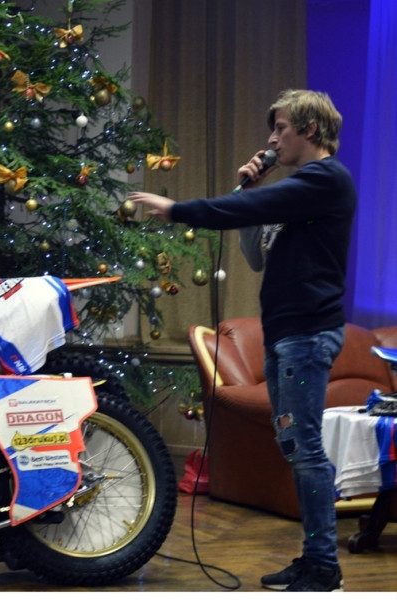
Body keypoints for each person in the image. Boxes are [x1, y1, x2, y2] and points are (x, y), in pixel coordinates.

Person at [129, 89, 356, 592]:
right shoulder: (295, 191)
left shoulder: (325, 179)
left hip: (307, 335)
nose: (272, 139)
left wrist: (178, 209)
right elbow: (254, 254)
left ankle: (324, 567)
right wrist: (249, 188)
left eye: (281, 128)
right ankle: (314, 558)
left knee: (304, 448)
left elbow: (241, 211)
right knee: (295, 446)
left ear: (310, 130)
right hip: (286, 333)